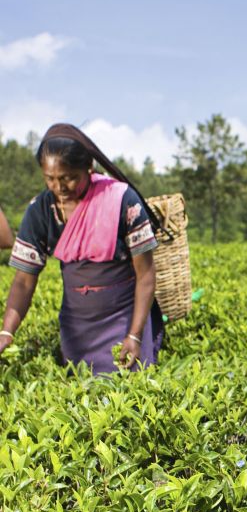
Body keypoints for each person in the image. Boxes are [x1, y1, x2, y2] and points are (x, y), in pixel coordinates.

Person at [0, 124, 164, 372]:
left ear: (89, 168)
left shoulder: (121, 200)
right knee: (80, 389)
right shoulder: (41, 210)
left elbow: (146, 274)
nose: (59, 187)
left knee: (128, 389)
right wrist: (6, 331)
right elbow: (24, 280)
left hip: (124, 316)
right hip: (78, 326)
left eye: (68, 177)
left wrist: (135, 335)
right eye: (50, 179)